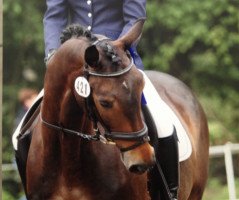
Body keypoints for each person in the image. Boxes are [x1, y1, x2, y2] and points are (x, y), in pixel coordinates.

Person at [43, 1, 179, 199]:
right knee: (21, 132)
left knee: (162, 121)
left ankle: (168, 193)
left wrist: (111, 48)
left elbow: (135, 18)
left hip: (118, 65)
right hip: (74, 68)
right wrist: (54, 57)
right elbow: (54, 16)